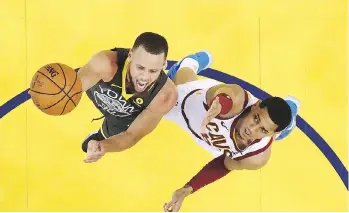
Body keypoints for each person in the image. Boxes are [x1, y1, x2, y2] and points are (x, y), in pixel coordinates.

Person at [162, 51, 300, 212]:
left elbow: (225, 164)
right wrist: (219, 104)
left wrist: (188, 189)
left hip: (211, 140)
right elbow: (226, 95)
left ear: (269, 134)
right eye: (256, 118)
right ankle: (190, 63)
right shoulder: (239, 99)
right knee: (177, 86)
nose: (251, 130)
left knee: (281, 132)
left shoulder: (256, 157)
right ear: (256, 105)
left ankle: (289, 116)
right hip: (197, 108)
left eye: (262, 130)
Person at [77, 32, 177, 163]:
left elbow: (131, 136)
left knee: (103, 139)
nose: (144, 77)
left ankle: (101, 135)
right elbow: (71, 90)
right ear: (130, 56)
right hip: (97, 89)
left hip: (123, 116)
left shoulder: (165, 96)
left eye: (153, 71)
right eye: (140, 67)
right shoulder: (106, 64)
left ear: (164, 65)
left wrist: (102, 146)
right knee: (64, 88)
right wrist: (61, 95)